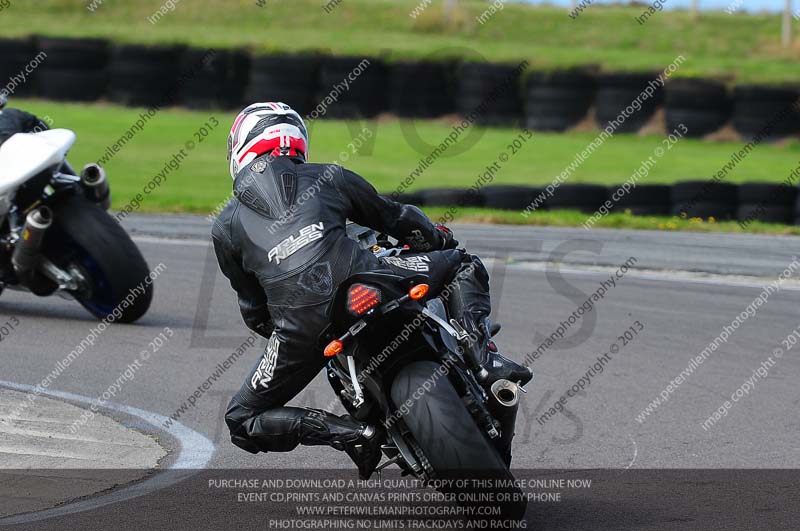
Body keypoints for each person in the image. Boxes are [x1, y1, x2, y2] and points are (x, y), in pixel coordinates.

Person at [213, 102, 530, 479]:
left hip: (302, 325)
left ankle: (349, 433)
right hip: (369, 280)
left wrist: (294, 336)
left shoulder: (225, 227)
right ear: (297, 144)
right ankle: (484, 361)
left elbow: (254, 311)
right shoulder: (330, 176)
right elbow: (398, 220)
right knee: (462, 263)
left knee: (241, 419)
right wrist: (437, 238)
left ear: (240, 148)